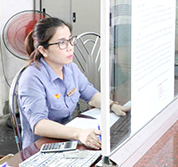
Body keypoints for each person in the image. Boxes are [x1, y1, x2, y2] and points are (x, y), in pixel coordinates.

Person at [19, 17, 131, 150]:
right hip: (41, 147)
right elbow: (39, 124)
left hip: (69, 139)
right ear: (43, 50)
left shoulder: (70, 67)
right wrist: (79, 133)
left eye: (70, 40)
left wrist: (112, 105)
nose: (70, 47)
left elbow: (91, 94)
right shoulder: (31, 78)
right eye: (62, 43)